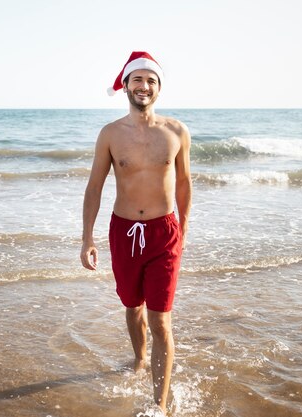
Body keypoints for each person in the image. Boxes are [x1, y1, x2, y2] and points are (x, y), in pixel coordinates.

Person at [80, 51, 192, 414]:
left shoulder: (176, 132)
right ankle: (139, 359)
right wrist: (87, 238)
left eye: (151, 81)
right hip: (124, 230)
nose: (144, 86)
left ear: (159, 89)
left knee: (161, 319)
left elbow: (185, 185)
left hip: (164, 232)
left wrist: (183, 232)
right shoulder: (110, 134)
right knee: (133, 306)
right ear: (126, 85)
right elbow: (94, 186)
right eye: (138, 80)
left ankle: (158, 406)